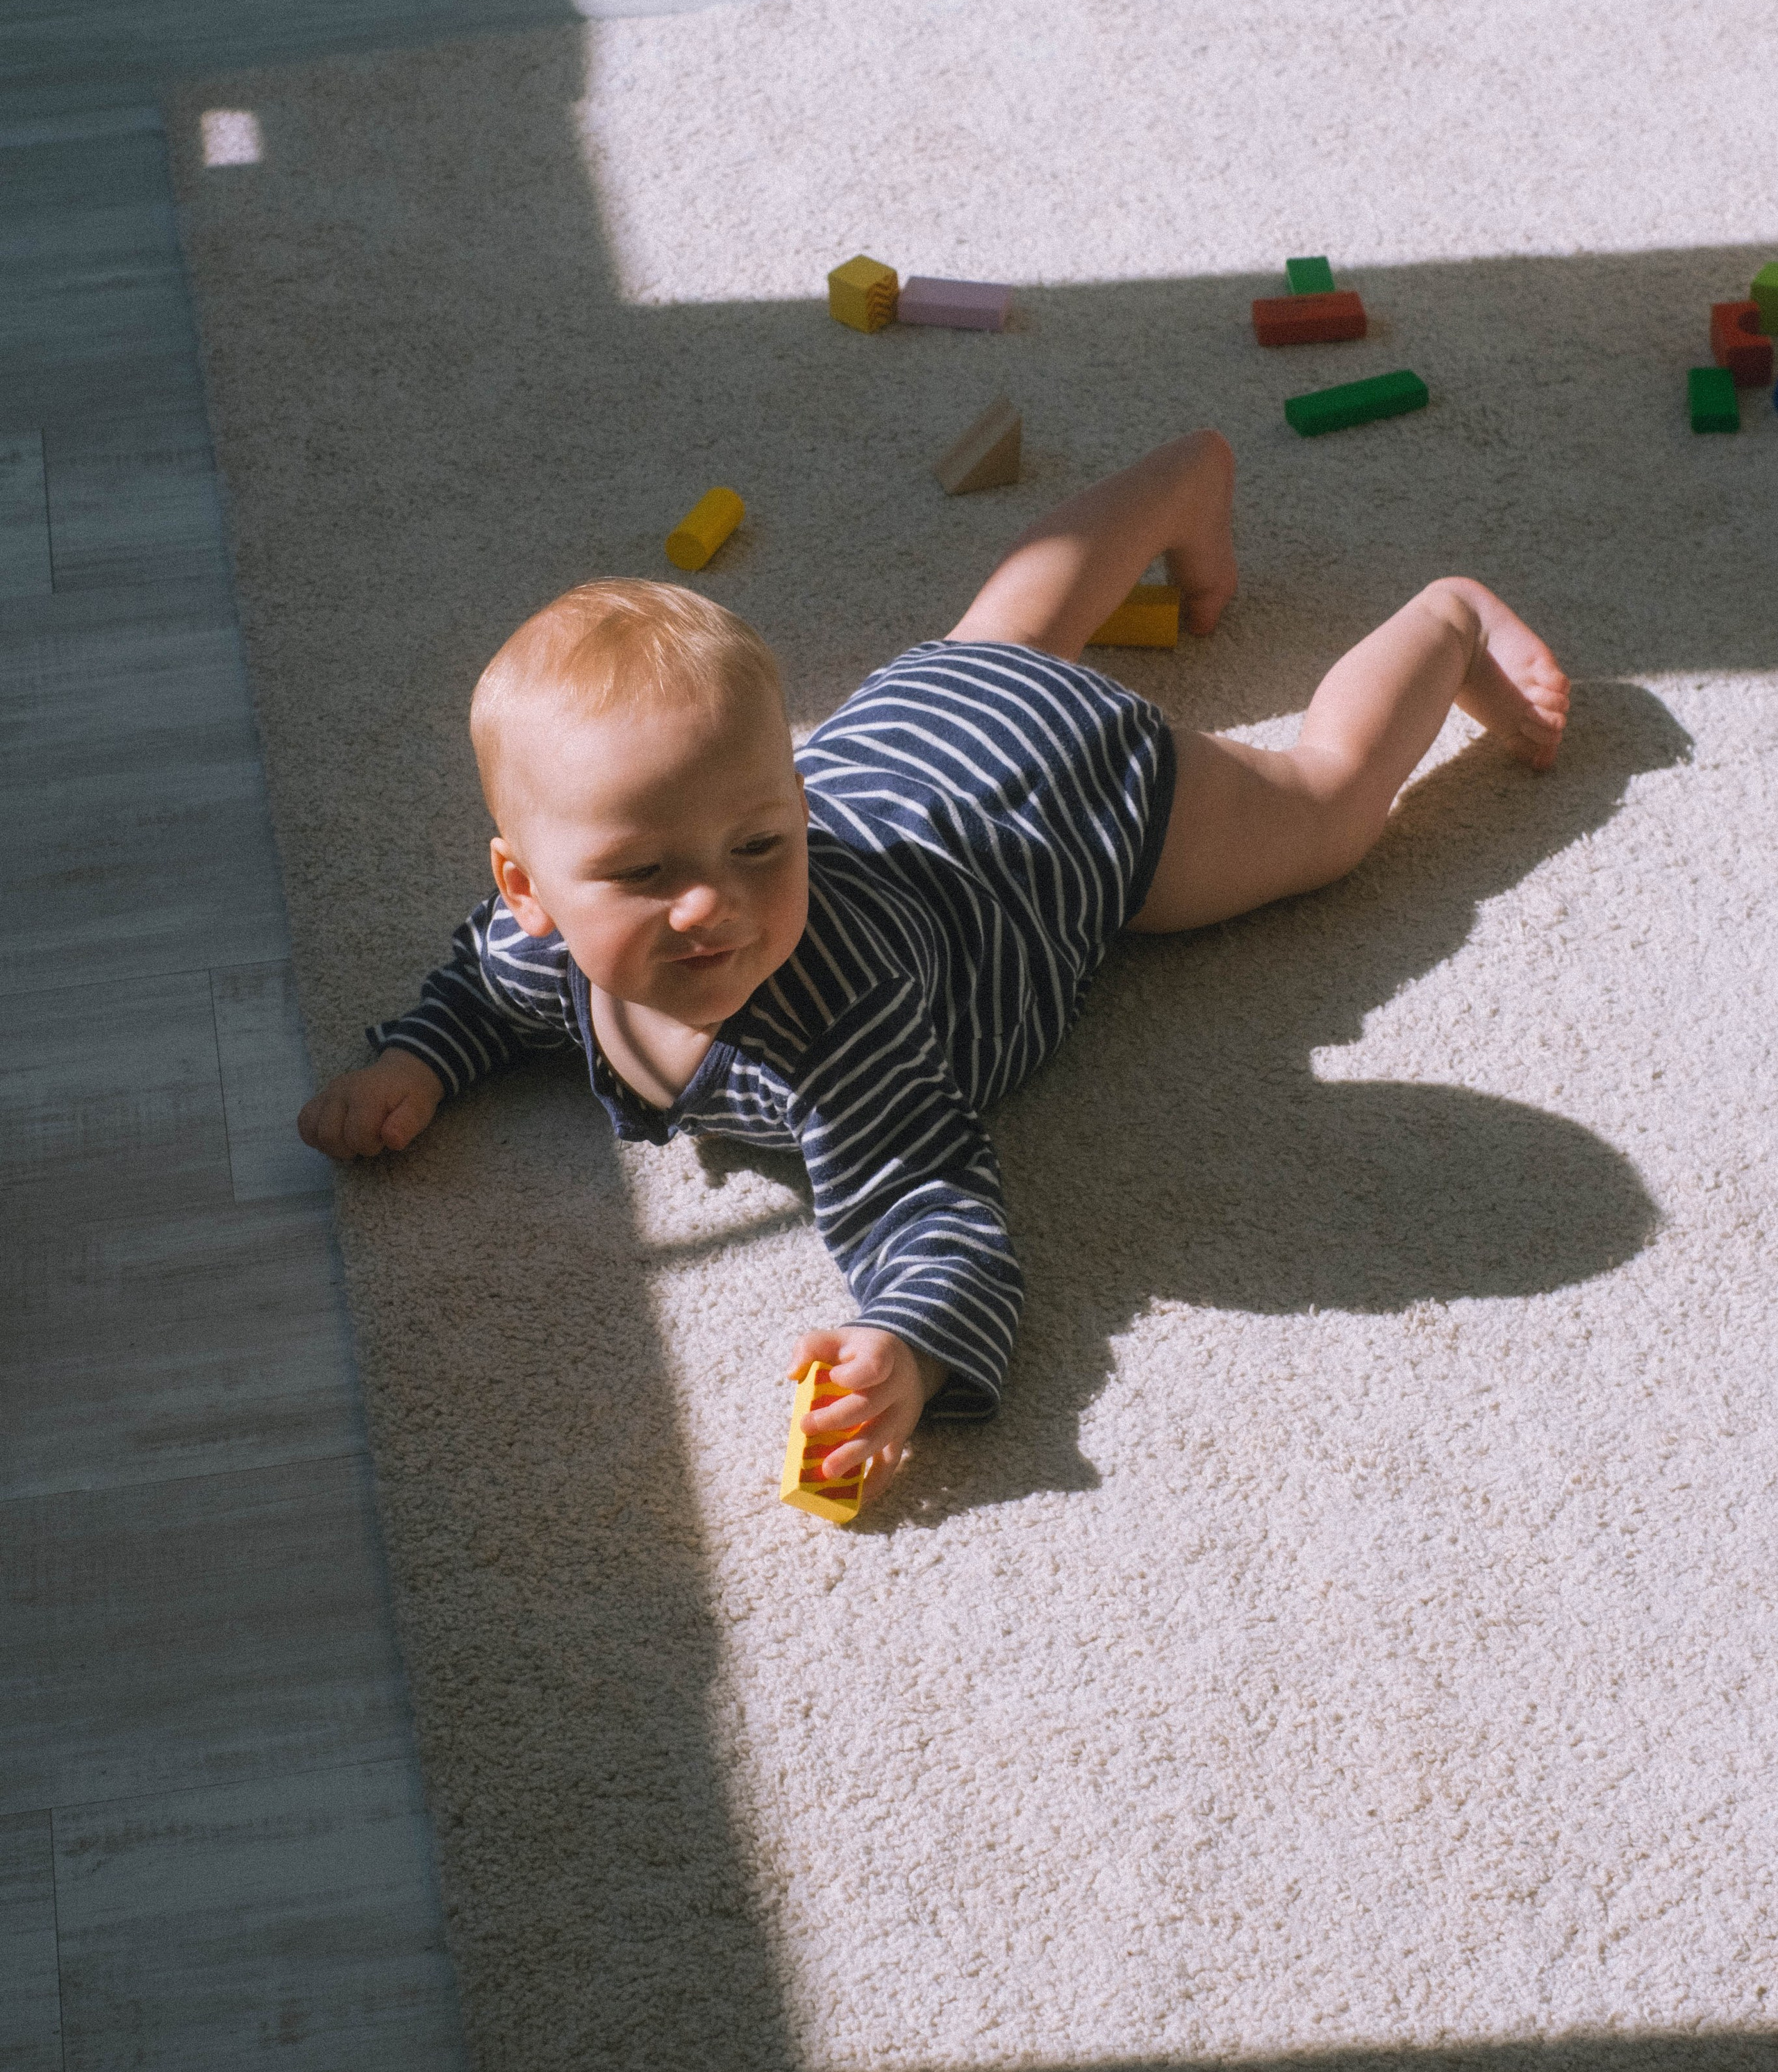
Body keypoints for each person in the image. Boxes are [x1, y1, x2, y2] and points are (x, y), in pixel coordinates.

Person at [298, 430, 1568, 1502]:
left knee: (1322, 811)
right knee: (1004, 632)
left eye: (762, 845)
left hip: (1082, 816)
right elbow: (480, 987)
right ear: (526, 892)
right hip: (920, 719)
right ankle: (1179, 482)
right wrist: (419, 1060)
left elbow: (936, 1208)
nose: (716, 906)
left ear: (794, 805)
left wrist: (905, 1344)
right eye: (640, 872)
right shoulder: (531, 955)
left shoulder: (840, 1024)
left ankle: (1445, 623)